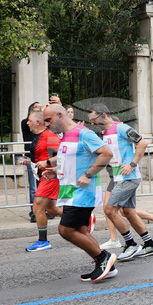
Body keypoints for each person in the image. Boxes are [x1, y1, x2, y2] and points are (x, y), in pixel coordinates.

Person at [42, 104, 117, 282]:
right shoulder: (66, 136)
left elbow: (106, 153)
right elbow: (71, 160)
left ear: (60, 115)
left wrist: (88, 174)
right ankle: (106, 265)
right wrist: (55, 172)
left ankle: (103, 258)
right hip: (69, 191)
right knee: (80, 230)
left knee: (66, 230)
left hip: (83, 192)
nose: (46, 124)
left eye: (48, 120)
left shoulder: (84, 133)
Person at [87, 104, 153, 261]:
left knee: (109, 210)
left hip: (128, 177)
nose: (92, 123)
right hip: (119, 177)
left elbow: (142, 142)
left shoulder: (121, 128)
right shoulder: (105, 132)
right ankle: (150, 244)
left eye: (93, 120)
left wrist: (132, 164)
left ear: (103, 115)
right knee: (128, 212)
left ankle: (131, 244)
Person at [22, 109, 62, 250]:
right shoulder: (37, 136)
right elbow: (40, 157)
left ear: (38, 122)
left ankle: (43, 241)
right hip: (41, 176)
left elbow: (64, 154)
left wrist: (48, 163)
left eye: (30, 121)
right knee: (52, 210)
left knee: (37, 206)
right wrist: (29, 161)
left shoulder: (49, 136)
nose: (27, 123)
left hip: (50, 176)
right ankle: (84, 218)